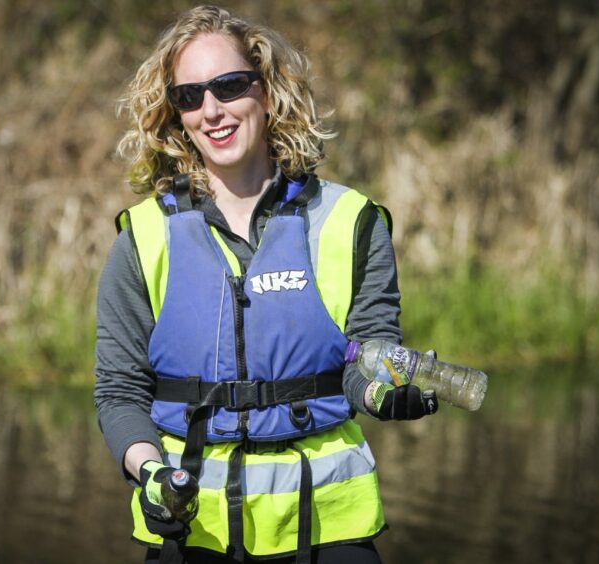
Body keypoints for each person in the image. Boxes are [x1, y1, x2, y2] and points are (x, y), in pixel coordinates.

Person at [94, 6, 438, 564]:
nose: (212, 110)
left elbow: (366, 355)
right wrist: (153, 474)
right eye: (190, 96)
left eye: (229, 86)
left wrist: (380, 392)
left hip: (328, 533)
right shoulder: (143, 237)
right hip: (194, 534)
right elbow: (119, 392)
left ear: (268, 89)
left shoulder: (351, 220)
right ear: (175, 113)